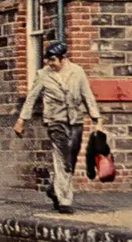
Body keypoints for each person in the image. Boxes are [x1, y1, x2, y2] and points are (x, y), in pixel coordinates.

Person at [13, 40, 102, 213]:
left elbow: (87, 95)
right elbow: (31, 98)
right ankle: (65, 200)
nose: (50, 63)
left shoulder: (77, 72)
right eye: (48, 60)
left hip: (75, 120)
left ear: (63, 58)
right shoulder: (43, 75)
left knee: (71, 157)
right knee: (63, 157)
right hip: (55, 120)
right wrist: (21, 120)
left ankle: (54, 188)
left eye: (53, 60)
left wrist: (97, 119)